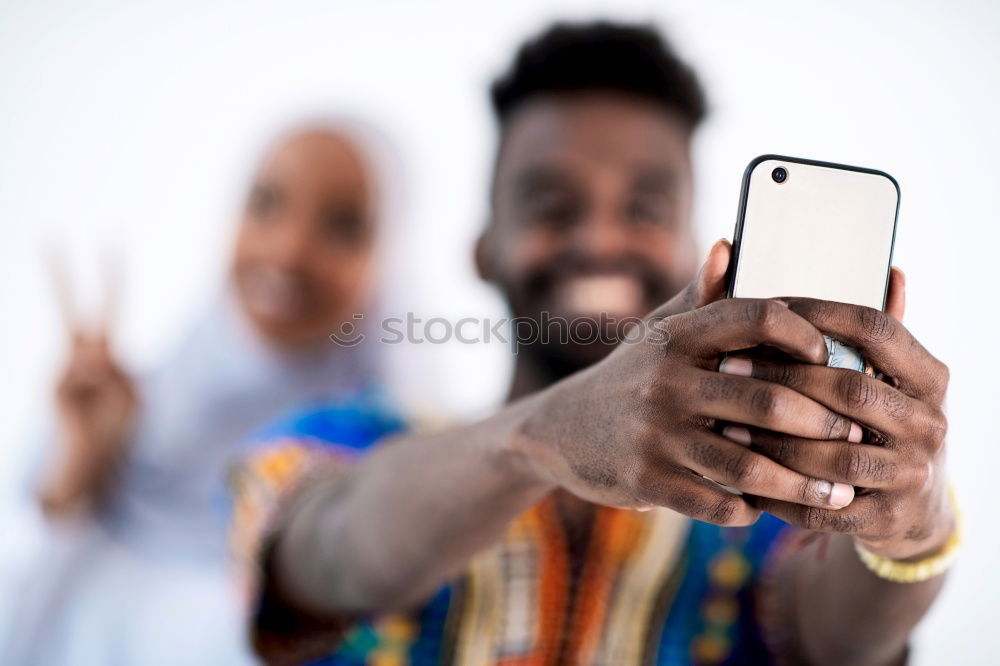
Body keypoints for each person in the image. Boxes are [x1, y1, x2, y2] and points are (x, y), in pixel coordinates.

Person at [232, 23, 955, 665]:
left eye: (643, 208)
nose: (601, 239)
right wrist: (536, 439)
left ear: (688, 249)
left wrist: (914, 531)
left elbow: (837, 641)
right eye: (552, 204)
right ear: (485, 248)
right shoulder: (338, 442)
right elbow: (325, 554)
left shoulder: (757, 512)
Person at [4, 122, 389, 665]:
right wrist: (78, 472)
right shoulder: (119, 411)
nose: (289, 250)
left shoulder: (385, 471)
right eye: (266, 203)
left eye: (343, 227)